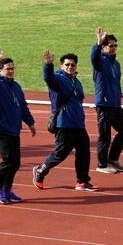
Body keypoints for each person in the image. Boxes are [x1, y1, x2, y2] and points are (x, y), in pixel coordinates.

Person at [33, 50, 95, 192]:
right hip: (64, 123)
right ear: (61, 66)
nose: (70, 67)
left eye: (73, 65)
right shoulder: (58, 79)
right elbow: (48, 79)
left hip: (79, 124)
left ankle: (82, 182)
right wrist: (48, 64)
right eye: (67, 64)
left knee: (84, 153)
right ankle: (40, 170)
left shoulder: (77, 82)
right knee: (60, 154)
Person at [0, 47, 36, 204]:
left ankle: (7, 189)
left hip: (14, 129)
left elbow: (23, 106)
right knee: (8, 160)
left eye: (12, 68)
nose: (11, 71)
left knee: (16, 162)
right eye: (7, 69)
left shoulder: (16, 86)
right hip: (0, 128)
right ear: (1, 71)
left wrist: (30, 122)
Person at [92, 28, 123, 174]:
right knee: (105, 136)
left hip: (115, 103)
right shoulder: (100, 61)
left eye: (115, 46)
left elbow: (115, 83)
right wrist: (98, 42)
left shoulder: (116, 64)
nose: (114, 48)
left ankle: (112, 158)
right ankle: (101, 164)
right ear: (104, 47)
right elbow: (93, 57)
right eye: (110, 45)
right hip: (104, 104)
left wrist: (121, 94)